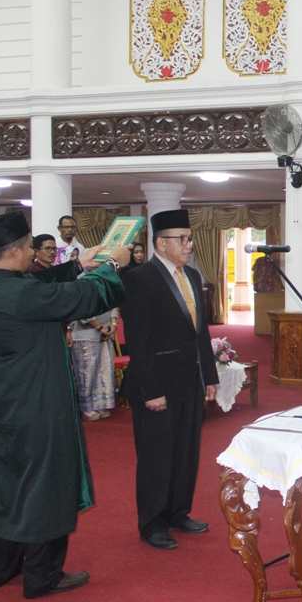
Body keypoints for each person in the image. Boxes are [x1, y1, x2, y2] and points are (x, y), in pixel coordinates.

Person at [0, 211, 129, 599]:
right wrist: (112, 266)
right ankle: (42, 575)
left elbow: (41, 283)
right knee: (47, 486)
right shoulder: (21, 295)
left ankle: (0, 567)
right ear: (15, 252)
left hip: (5, 405)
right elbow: (84, 298)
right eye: (29, 247)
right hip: (39, 405)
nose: (34, 254)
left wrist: (79, 265)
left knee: (9, 485)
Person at [119, 209, 218, 551]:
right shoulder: (140, 278)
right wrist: (151, 389)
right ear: (161, 243)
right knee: (157, 457)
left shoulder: (190, 275)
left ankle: (178, 512)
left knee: (185, 453)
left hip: (189, 379)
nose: (189, 245)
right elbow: (138, 340)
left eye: (190, 238)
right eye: (183, 239)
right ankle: (152, 523)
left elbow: (200, 331)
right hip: (157, 385)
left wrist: (209, 375)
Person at [69, 307, 118, 421]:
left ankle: (99, 404)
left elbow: (113, 305)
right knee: (87, 371)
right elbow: (82, 309)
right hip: (84, 333)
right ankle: (86, 407)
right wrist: (99, 327)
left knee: (103, 369)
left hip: (106, 332)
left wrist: (113, 325)